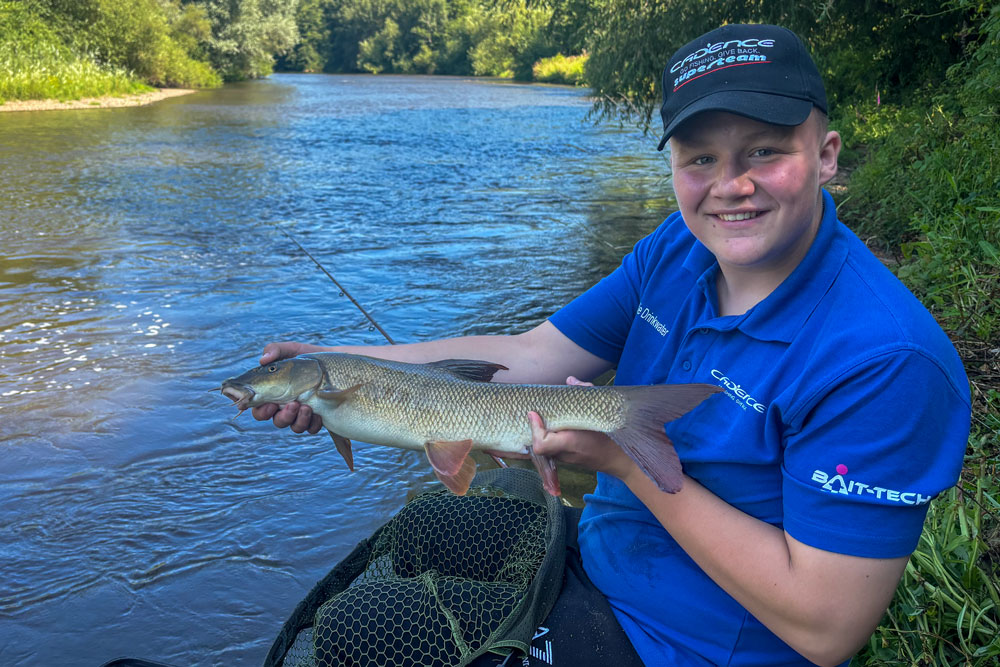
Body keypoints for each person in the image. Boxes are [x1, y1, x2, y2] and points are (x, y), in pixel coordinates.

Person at [253, 24, 971, 667]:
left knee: (362, 624)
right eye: (700, 159)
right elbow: (531, 353)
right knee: (426, 529)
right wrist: (333, 367)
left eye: (765, 151)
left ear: (827, 156)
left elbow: (826, 629)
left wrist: (622, 462)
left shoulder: (887, 360)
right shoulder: (678, 250)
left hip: (683, 642)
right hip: (603, 553)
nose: (732, 186)